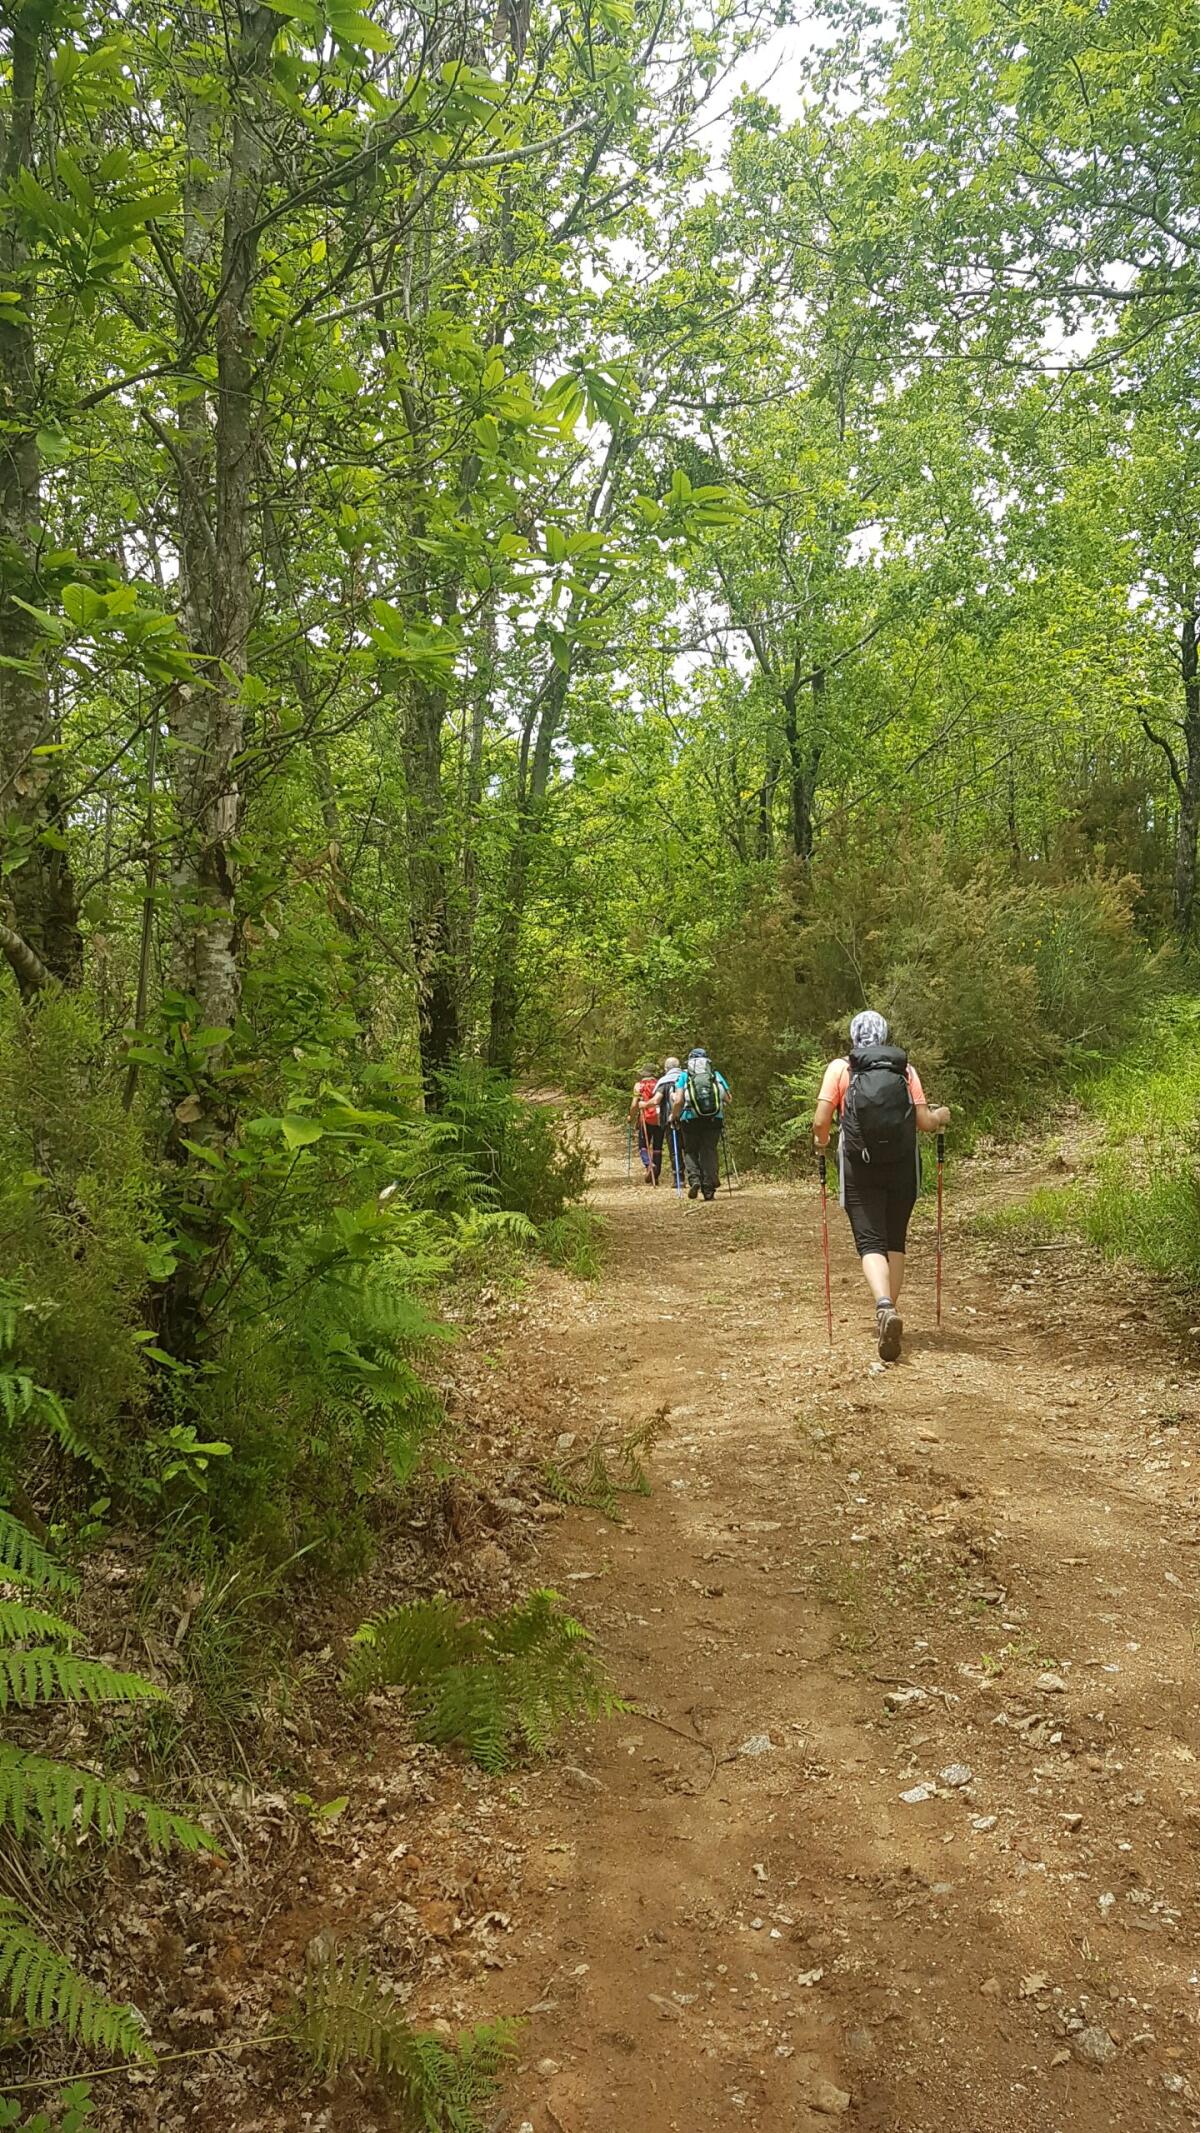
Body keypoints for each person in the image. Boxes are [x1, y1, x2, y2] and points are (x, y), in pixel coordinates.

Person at [812, 1010, 950, 1362]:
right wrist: (941, 1117)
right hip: (903, 1166)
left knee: (869, 1240)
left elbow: (821, 1120)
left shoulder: (840, 1069)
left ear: (853, 1036)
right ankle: (891, 1310)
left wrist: (822, 1141)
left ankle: (884, 1306)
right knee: (894, 1240)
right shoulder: (904, 1069)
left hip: (860, 1165)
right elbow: (923, 1122)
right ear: (886, 1035)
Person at [670, 1047, 730, 1202]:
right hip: (714, 1119)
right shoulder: (715, 1075)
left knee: (690, 1150)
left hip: (690, 1118)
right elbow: (728, 1098)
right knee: (709, 1151)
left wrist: (674, 1116)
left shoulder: (684, 1076)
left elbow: (678, 1100)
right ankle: (709, 1188)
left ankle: (695, 1180)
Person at [628, 1062, 665, 1183]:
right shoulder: (661, 1084)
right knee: (657, 1147)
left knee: (643, 1145)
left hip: (645, 1118)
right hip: (660, 1119)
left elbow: (634, 1105)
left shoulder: (639, 1086)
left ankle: (649, 1165)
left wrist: (631, 1116)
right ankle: (656, 1176)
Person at [653, 1056, 683, 1186]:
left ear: (666, 1069)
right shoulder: (686, 1077)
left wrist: (644, 1104)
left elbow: (657, 1100)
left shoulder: (664, 1082)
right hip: (688, 1117)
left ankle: (679, 1179)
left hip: (669, 1119)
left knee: (674, 1150)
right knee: (690, 1149)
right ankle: (696, 1177)